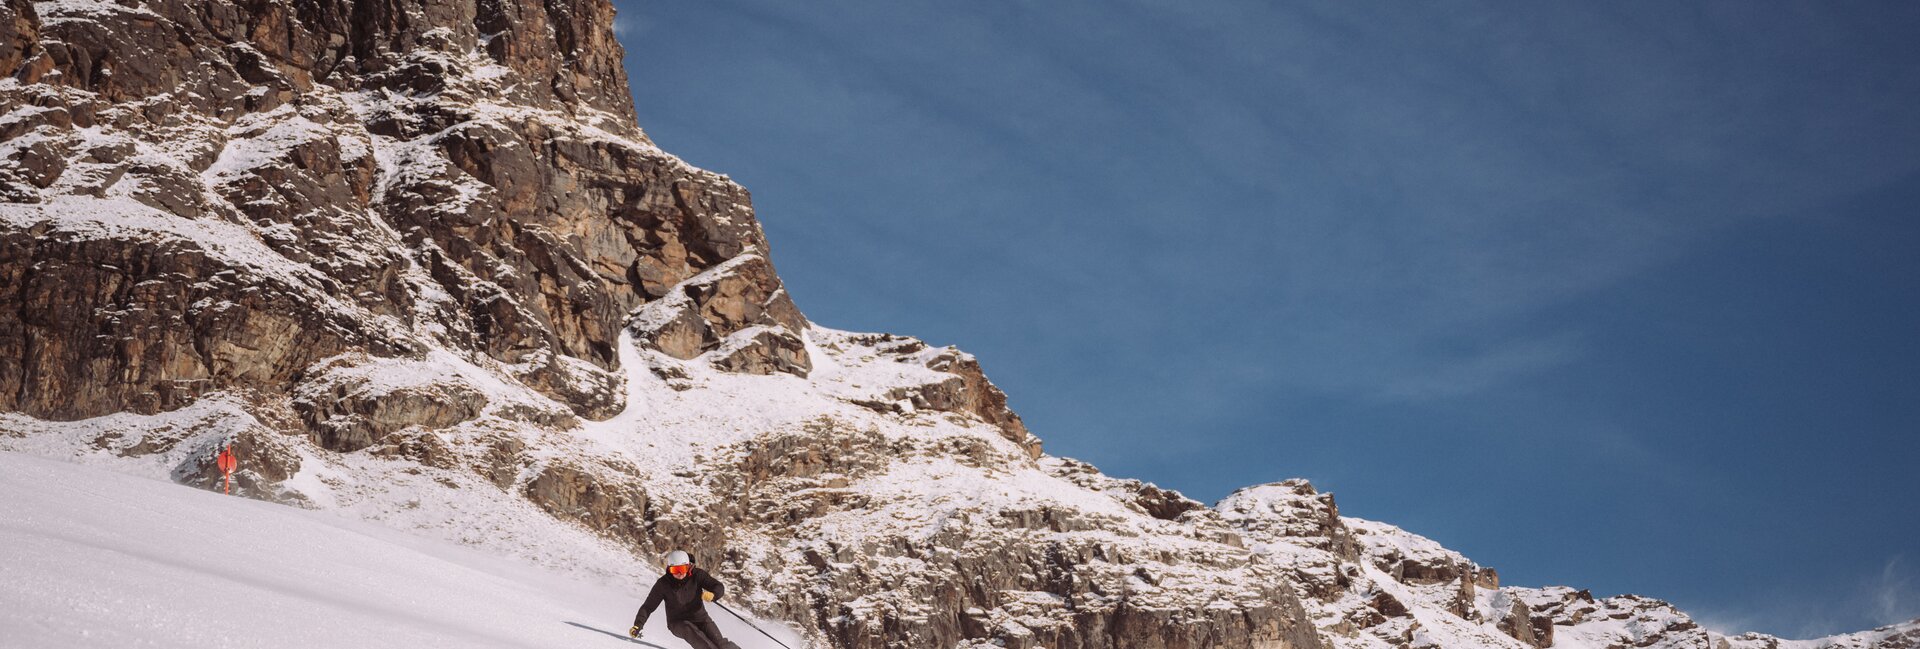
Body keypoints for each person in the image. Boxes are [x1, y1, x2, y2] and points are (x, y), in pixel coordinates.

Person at [630, 550, 741, 649]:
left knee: (721, 644)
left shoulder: (697, 575)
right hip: (678, 622)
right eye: (675, 569)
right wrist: (638, 625)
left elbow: (718, 586)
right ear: (669, 569)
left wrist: (713, 594)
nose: (680, 573)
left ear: (688, 566)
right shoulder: (663, 584)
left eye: (682, 568)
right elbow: (648, 606)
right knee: (700, 640)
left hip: (702, 619)